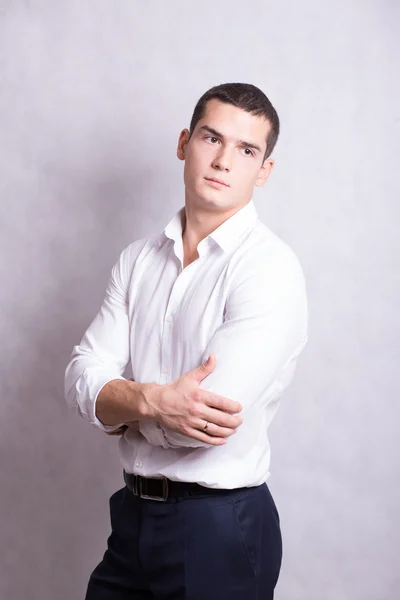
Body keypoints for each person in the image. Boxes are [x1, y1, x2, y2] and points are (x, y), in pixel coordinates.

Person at [64, 82, 308, 599]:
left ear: (263, 170)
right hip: (131, 516)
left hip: (217, 526)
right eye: (210, 138)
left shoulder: (269, 270)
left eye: (246, 150)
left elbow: (200, 424)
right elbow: (80, 376)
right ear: (184, 143)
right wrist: (152, 401)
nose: (223, 160)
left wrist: (120, 401)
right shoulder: (137, 260)